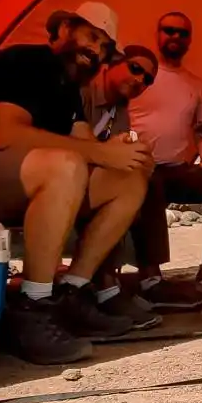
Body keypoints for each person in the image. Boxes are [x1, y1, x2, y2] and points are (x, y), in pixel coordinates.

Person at [0, 2, 154, 366]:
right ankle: (32, 305)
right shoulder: (26, 63)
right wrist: (96, 153)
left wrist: (120, 153)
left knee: (128, 179)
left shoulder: (70, 88)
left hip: (17, 177)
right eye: (91, 37)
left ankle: (72, 292)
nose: (96, 51)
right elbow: (7, 134)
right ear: (62, 31)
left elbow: (87, 143)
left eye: (105, 47)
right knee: (65, 166)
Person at [128, 11, 202, 306]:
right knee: (149, 181)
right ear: (158, 34)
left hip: (179, 169)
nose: (175, 37)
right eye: (169, 30)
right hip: (137, 166)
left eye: (182, 33)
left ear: (189, 40)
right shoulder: (138, 75)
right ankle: (151, 278)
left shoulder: (195, 84)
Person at [81, 45, 163, 329]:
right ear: (112, 64)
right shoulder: (84, 91)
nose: (141, 81)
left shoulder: (120, 112)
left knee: (145, 178)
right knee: (127, 183)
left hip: (89, 176)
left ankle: (144, 279)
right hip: (61, 175)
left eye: (148, 79)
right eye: (136, 69)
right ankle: (103, 288)